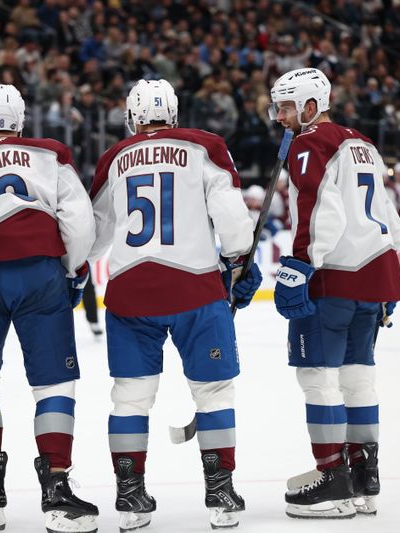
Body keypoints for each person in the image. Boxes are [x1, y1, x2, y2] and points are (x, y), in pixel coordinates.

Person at [89, 79, 262, 531]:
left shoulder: (115, 158)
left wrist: (71, 270)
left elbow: (94, 236)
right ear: (175, 113)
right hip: (196, 290)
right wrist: (236, 260)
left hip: (130, 291)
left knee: (130, 397)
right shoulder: (204, 147)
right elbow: (236, 228)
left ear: (131, 117)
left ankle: (129, 499)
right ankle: (221, 495)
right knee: (214, 393)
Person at [0, 84, 98, 533]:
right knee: (54, 383)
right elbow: (80, 220)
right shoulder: (49, 155)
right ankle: (56, 489)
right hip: (40, 273)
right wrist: (71, 270)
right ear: (21, 120)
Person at [268, 68, 400, 519]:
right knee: (357, 375)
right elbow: (389, 219)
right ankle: (365, 476)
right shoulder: (363, 143)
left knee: (317, 376)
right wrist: (385, 266)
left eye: (287, 107)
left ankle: (332, 477)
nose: (280, 117)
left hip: (333, 277)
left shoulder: (312, 143)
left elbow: (316, 210)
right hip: (375, 274)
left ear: (311, 105)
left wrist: (301, 265)